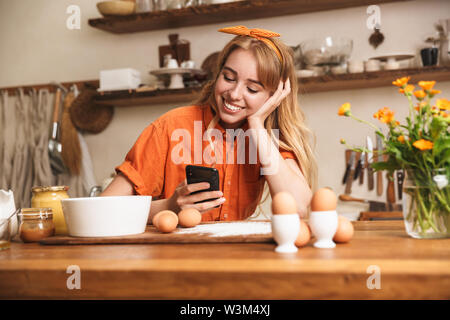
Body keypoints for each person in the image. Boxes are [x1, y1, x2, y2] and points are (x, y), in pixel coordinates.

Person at [102, 25, 317, 223]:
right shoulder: (170, 127)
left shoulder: (267, 138)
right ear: (218, 75)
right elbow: (104, 209)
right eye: (229, 78)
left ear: (275, 96)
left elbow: (300, 208)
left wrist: (257, 124)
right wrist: (170, 206)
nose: (234, 94)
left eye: (252, 89)